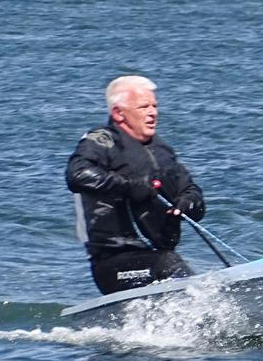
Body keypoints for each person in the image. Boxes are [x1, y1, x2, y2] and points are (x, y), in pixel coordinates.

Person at [66, 75, 205, 295]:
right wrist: (130, 186)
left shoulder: (162, 150)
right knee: (168, 264)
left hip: (156, 259)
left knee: (168, 262)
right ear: (119, 113)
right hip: (113, 264)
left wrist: (187, 203)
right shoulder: (101, 141)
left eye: (154, 106)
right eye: (143, 107)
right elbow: (77, 174)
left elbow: (191, 190)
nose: (153, 112)